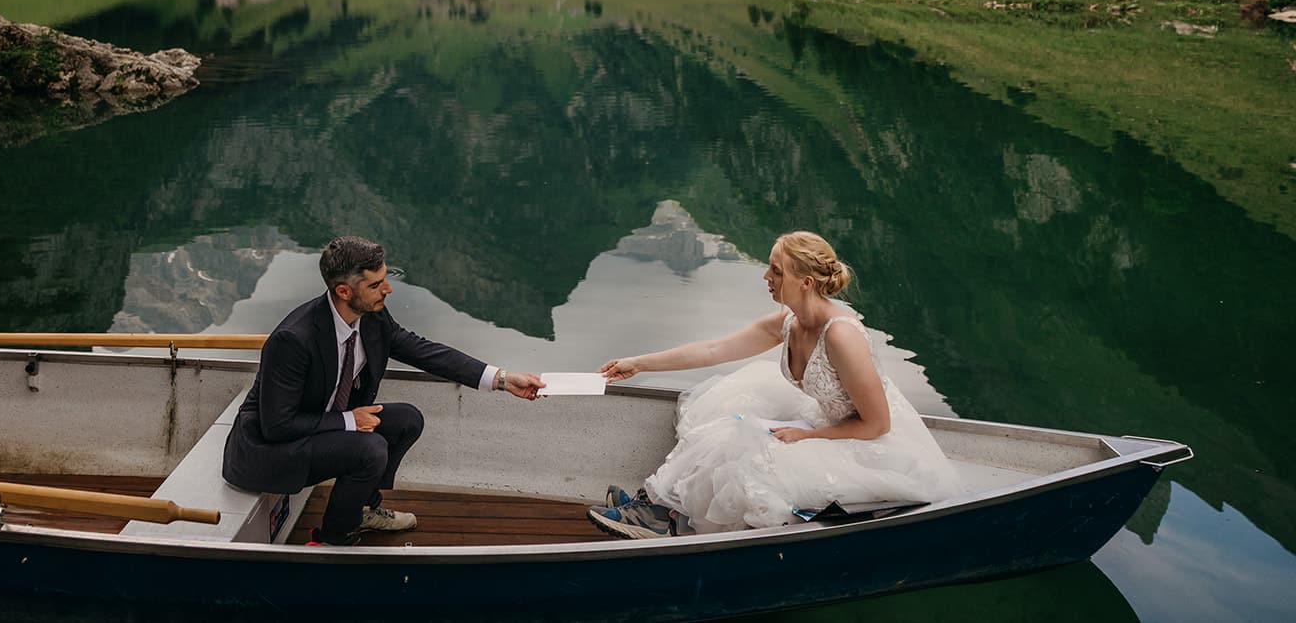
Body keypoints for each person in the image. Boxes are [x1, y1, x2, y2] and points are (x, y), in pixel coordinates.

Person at [588, 230, 960, 538]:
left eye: (776, 270)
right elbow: (714, 349)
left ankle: (664, 519)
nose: (767, 277)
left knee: (746, 450)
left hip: (866, 441)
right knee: (725, 423)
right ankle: (660, 504)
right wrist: (638, 363)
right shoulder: (790, 320)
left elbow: (878, 424)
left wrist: (808, 438)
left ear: (807, 282)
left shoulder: (842, 336)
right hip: (823, 420)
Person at [222, 235, 544, 545]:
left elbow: (424, 352)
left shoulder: (372, 317)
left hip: (319, 424)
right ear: (344, 291)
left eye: (385, 279)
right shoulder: (293, 339)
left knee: (407, 420)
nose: (387, 290)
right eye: (376, 285)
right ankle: (335, 540)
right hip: (268, 451)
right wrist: (350, 421)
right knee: (370, 448)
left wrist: (502, 379)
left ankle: (361, 508)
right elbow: (276, 426)